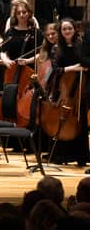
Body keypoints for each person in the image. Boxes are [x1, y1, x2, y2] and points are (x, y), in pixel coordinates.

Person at [48, 18, 89, 166]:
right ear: (61, 31)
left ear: (74, 30)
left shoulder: (81, 46)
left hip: (79, 88)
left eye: (69, 29)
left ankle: (81, 156)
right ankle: (61, 155)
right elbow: (56, 69)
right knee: (63, 119)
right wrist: (74, 68)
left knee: (80, 120)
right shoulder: (56, 48)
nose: (67, 31)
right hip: (63, 87)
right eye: (64, 29)